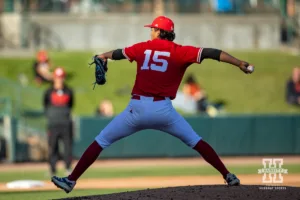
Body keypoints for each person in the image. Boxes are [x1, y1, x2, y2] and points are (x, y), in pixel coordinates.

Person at [51, 16, 254, 193]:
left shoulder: (142, 48)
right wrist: (238, 63)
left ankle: (71, 180)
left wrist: (103, 55)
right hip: (163, 110)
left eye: (153, 29)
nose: (151, 32)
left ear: (160, 31)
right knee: (196, 142)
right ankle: (228, 175)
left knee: (101, 141)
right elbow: (212, 52)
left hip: (136, 108)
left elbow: (119, 54)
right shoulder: (181, 51)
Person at [44, 67, 74, 176]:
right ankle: (52, 169)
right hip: (53, 123)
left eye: (61, 77)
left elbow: (71, 105)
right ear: (54, 78)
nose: (59, 80)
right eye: (57, 77)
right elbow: (45, 105)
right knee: (53, 147)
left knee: (67, 146)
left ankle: (68, 168)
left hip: (66, 123)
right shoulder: (48, 91)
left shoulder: (69, 91)